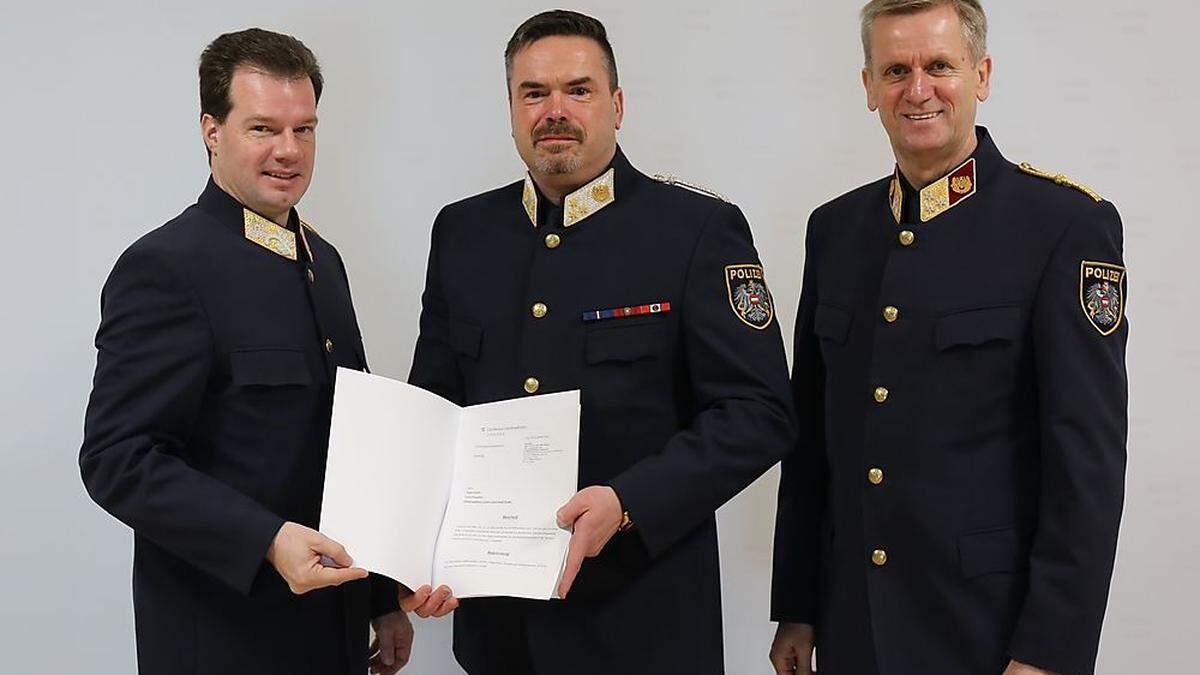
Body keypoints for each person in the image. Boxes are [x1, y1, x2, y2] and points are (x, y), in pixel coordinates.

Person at [407, 9, 795, 675]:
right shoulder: (463, 234)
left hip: (644, 629)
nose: (555, 111)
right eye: (534, 93)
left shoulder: (696, 230)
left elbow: (760, 414)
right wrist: (416, 551)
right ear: (510, 109)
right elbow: (434, 412)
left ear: (616, 104)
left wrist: (627, 504)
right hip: (500, 635)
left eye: (578, 90)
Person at [769, 2, 1128, 674]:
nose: (918, 89)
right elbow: (814, 442)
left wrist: (1050, 651)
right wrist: (800, 603)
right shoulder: (837, 231)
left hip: (987, 631)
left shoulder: (1061, 227)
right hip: (856, 624)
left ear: (982, 74)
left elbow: (1087, 470)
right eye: (896, 70)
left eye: (939, 66)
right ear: (870, 87)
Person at [79, 28, 419, 674]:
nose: (289, 151)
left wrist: (380, 599)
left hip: (332, 634)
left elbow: (350, 448)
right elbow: (117, 458)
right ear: (212, 130)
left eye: (305, 129)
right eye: (264, 128)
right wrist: (265, 539)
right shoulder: (166, 266)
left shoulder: (325, 261)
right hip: (225, 640)